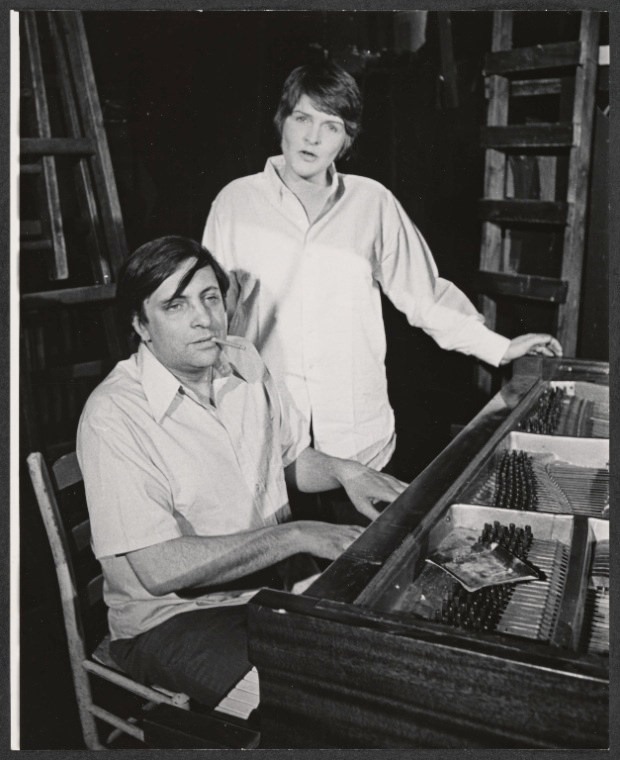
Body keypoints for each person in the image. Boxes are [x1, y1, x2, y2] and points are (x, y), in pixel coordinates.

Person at [76, 235, 405, 710]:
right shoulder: (114, 415)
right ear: (141, 325)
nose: (203, 318)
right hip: (172, 620)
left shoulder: (242, 361)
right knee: (315, 706)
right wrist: (296, 536)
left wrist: (346, 472)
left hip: (269, 590)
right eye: (176, 305)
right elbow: (159, 570)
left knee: (388, 656)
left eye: (210, 297)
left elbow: (287, 459)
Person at [202, 61, 562, 476]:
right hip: (266, 442)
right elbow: (209, 315)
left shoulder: (372, 203)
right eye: (302, 118)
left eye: (331, 126)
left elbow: (425, 296)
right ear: (282, 120)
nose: (312, 137)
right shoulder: (235, 203)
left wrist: (499, 348)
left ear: (346, 140)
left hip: (357, 441)